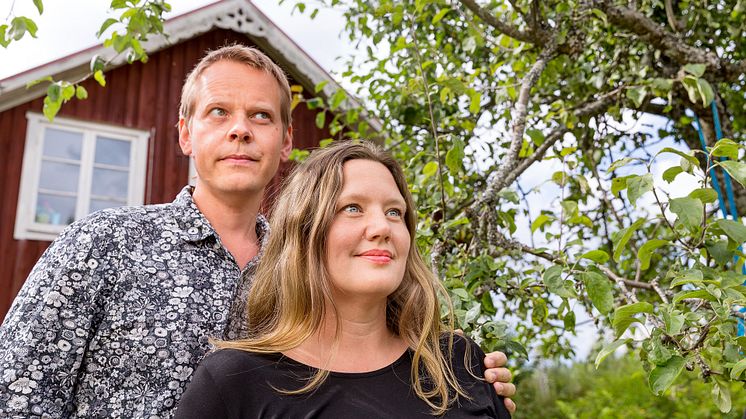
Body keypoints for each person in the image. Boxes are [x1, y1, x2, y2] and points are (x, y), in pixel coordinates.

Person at [0, 46, 515, 417]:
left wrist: (469, 381)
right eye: (219, 112)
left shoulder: (313, 259)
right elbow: (17, 394)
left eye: (261, 116)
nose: (240, 129)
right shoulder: (103, 244)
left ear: (287, 140)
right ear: (185, 133)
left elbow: (380, 353)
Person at [175, 141, 512, 418]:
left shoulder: (457, 362)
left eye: (395, 212)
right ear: (304, 232)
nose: (382, 228)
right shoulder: (233, 382)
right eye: (352, 208)